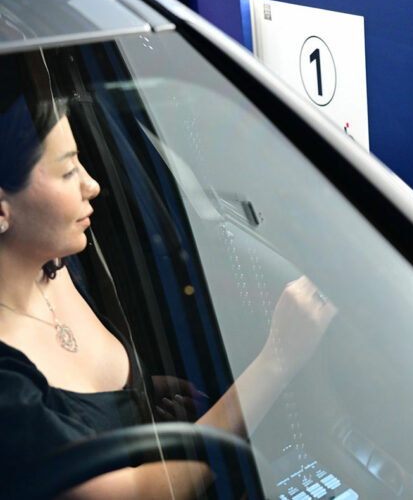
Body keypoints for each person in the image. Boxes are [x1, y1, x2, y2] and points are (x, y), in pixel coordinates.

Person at [0, 50, 336, 498]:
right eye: (66, 172)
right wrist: (278, 358)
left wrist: (135, 393)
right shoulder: (7, 389)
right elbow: (144, 492)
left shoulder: (55, 261)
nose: (91, 184)